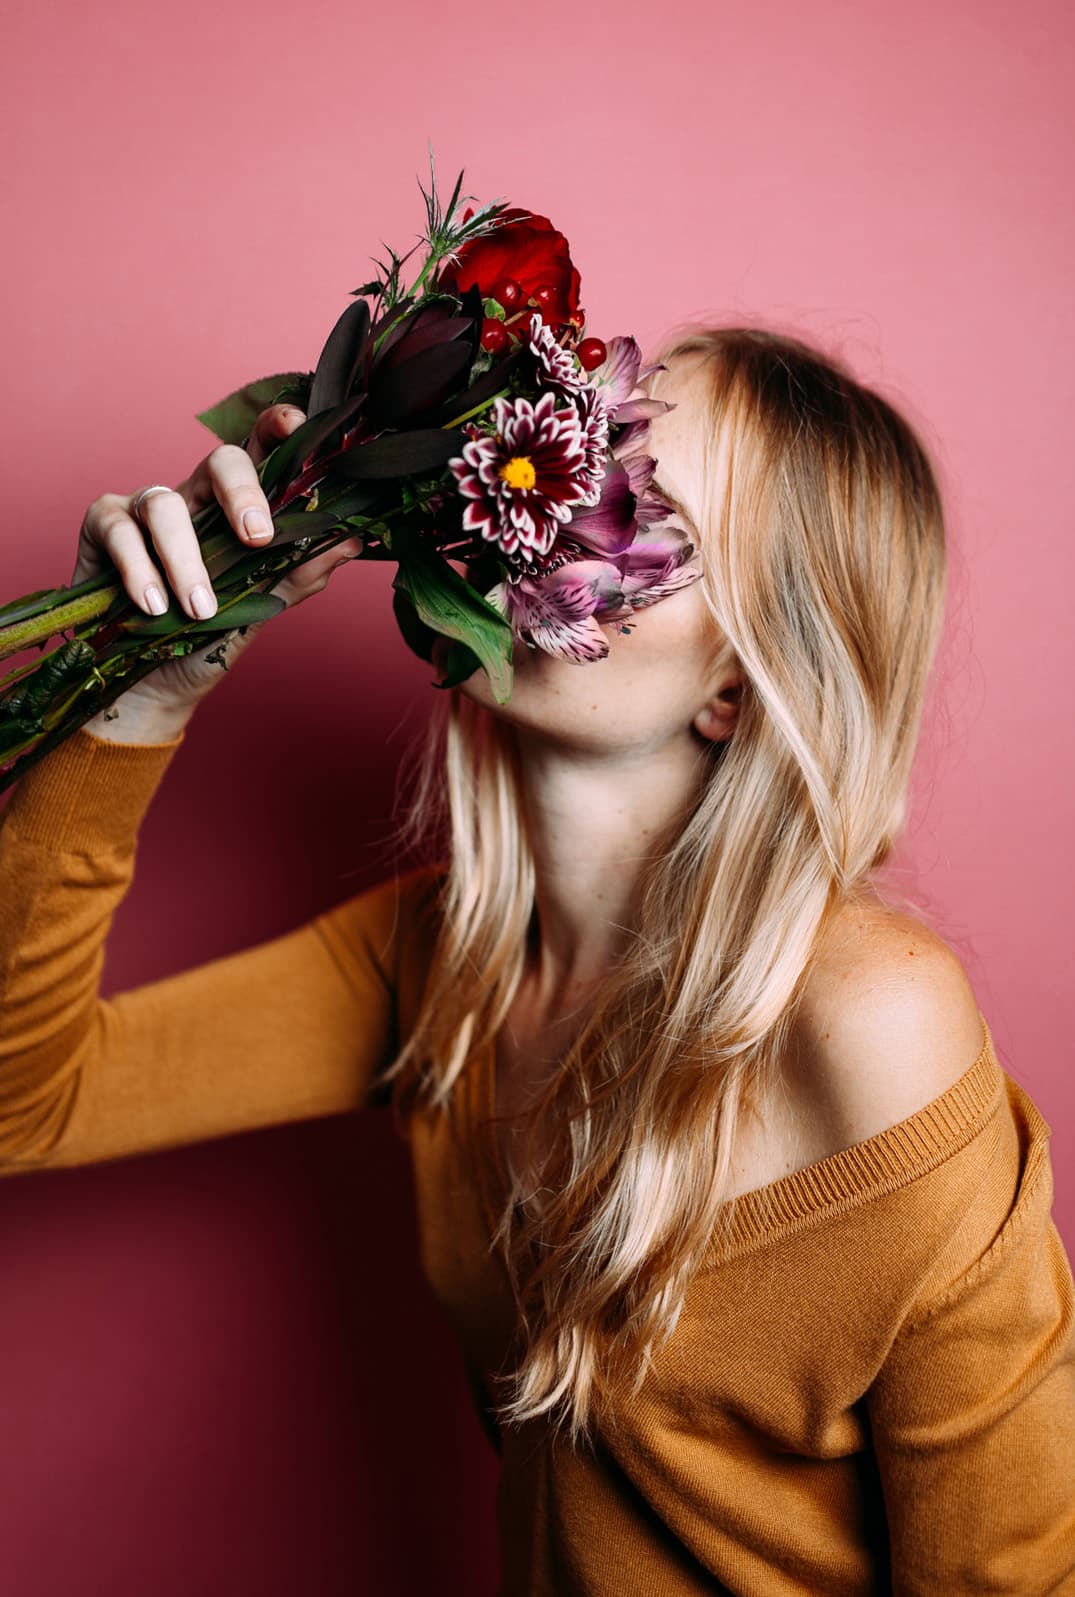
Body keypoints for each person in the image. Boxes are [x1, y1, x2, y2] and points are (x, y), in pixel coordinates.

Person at [1, 326, 1072, 1594]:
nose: (556, 498)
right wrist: (137, 688)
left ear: (729, 689)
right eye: (588, 440)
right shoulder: (440, 960)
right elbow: (27, 1101)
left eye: (642, 507)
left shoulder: (864, 1017)